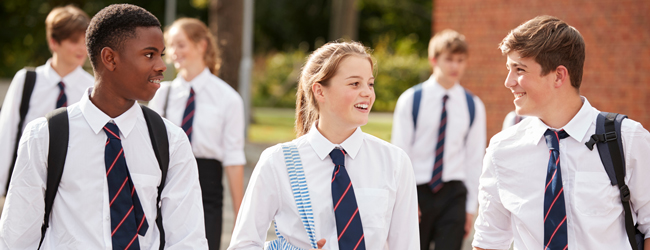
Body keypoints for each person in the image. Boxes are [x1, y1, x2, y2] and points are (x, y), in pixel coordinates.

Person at [0, 4, 208, 249]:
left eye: (161, 54)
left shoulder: (171, 141)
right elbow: (17, 239)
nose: (162, 65)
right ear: (110, 58)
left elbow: (187, 241)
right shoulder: (43, 136)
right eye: (149, 54)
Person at [472, 15, 650, 250]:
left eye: (520, 69)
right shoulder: (501, 149)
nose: (508, 81)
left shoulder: (629, 139)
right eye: (509, 68)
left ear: (558, 75)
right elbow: (489, 241)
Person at [228, 41, 419, 250]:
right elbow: (243, 245)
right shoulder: (278, 162)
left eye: (370, 84)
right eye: (355, 84)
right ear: (320, 91)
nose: (367, 93)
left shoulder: (395, 162)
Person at [148, 17, 245, 250]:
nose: (173, 52)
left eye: (180, 44)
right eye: (170, 46)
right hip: (167, 184)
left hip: (207, 187)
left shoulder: (227, 98)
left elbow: (233, 159)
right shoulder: (163, 95)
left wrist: (242, 219)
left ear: (202, 45)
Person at [391, 29, 486, 250]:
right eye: (449, 59)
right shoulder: (411, 100)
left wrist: (470, 208)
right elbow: (399, 153)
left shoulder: (473, 106)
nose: (455, 66)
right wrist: (404, 200)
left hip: (454, 195)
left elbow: (474, 159)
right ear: (434, 60)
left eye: (461, 60)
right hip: (417, 191)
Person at [0, 5, 94, 195]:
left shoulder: (92, 87)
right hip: (25, 182)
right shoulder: (27, 80)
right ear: (53, 43)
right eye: (74, 41)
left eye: (85, 41)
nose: (82, 48)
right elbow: (7, 133)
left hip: (70, 188)